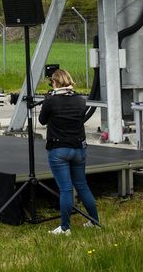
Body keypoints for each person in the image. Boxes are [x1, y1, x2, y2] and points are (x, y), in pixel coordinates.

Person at [38, 67, 100, 235]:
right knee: (82, 186)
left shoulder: (51, 101)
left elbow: (42, 120)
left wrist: (47, 100)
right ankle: (95, 221)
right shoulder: (80, 100)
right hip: (79, 148)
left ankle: (65, 227)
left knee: (66, 189)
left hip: (59, 149)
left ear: (55, 82)